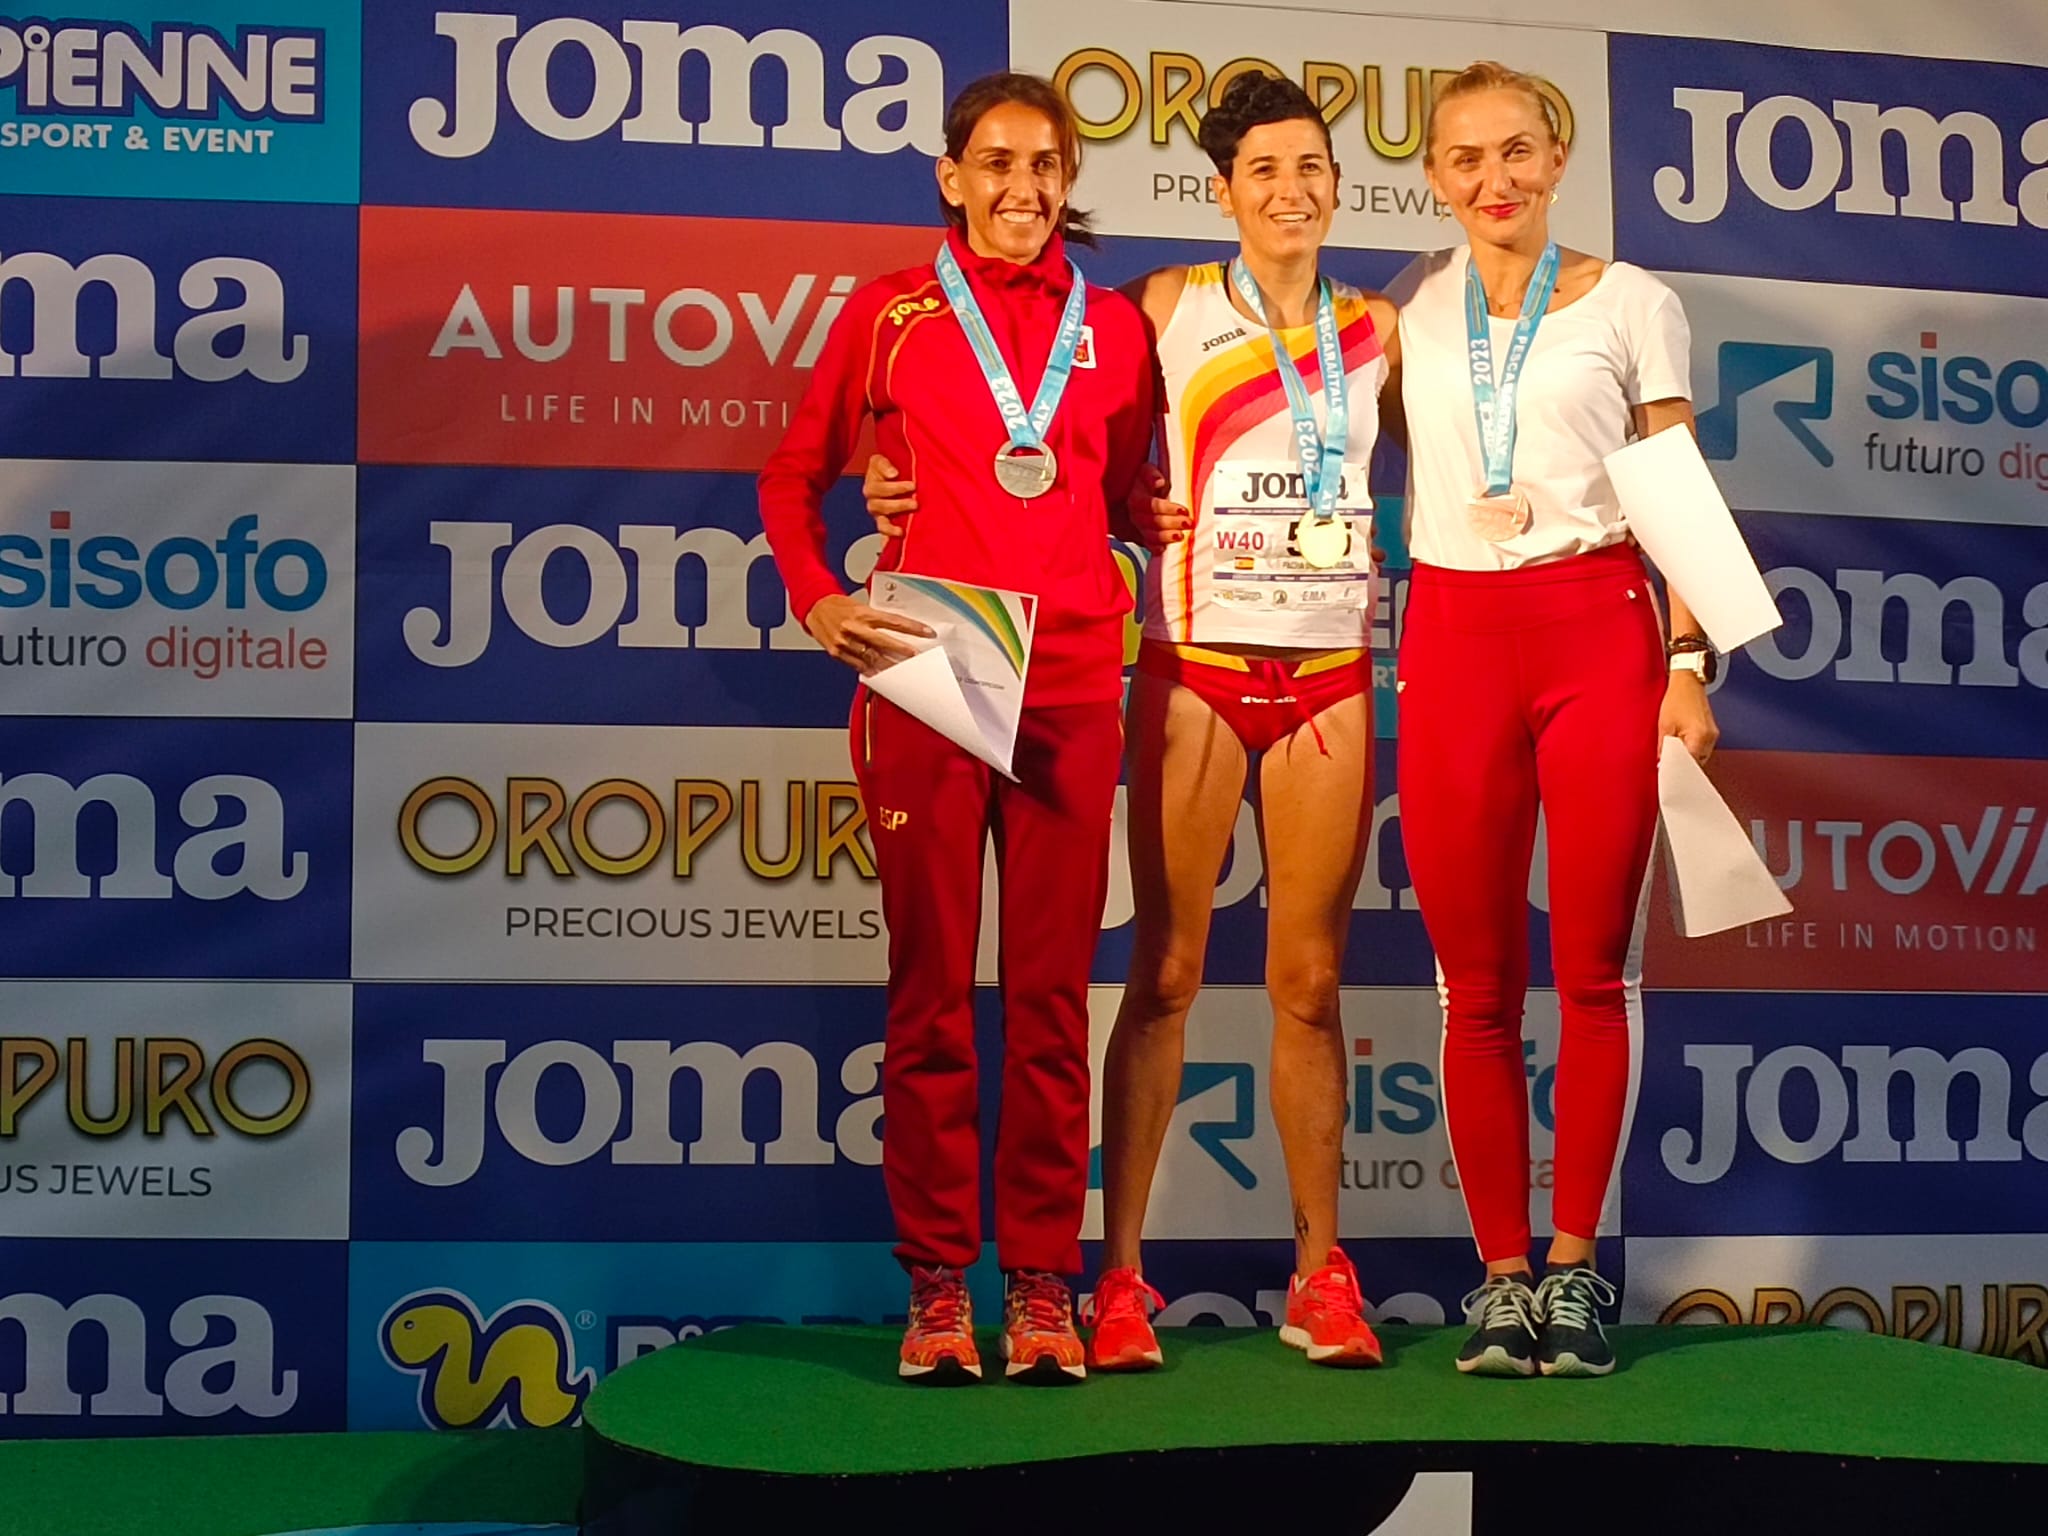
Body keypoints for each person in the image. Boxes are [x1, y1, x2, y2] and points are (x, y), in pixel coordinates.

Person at [865, 71, 1398, 1372]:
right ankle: (1113, 1278)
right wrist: (901, 478)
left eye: (1311, 168)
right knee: (1158, 975)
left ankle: (1321, 1270)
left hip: (1326, 669)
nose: (1290, 191)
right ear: (1222, 193)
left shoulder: (1388, 329)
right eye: (1262, 171)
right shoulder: (1158, 309)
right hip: (1193, 662)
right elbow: (1078, 451)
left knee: (1312, 985)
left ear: (1338, 185)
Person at [758, 72, 1155, 1386]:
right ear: (950, 174)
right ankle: (938, 1288)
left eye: (1047, 164)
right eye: (997, 162)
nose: (1024, 189)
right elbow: (791, 471)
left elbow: (1142, 500)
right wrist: (818, 600)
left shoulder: (1116, 327)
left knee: (1050, 1005)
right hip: (931, 662)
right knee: (931, 1000)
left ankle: (1040, 1287)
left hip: (1073, 682)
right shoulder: (889, 314)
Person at [1387, 61, 1719, 1378]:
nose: (1494, 180)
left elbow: (1673, 481)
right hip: (1455, 636)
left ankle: (1576, 1272)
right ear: (1434, 177)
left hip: (1597, 631)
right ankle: (1503, 1278)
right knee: (1474, 989)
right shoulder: (1408, 312)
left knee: (1592, 971)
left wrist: (1690, 661)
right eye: (1465, 159)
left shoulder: (1637, 300)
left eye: (1516, 151)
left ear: (1558, 154)